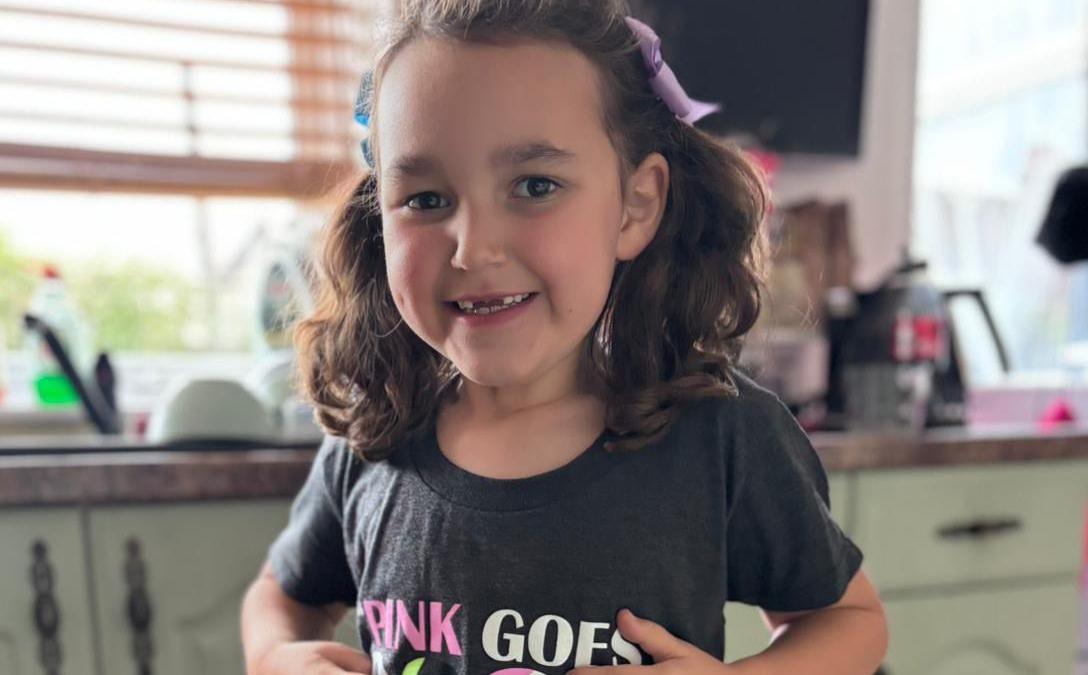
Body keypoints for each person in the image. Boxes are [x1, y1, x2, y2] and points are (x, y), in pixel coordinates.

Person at [241, 1, 889, 673]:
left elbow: (850, 622)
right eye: (427, 199)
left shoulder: (721, 435)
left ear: (636, 205)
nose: (473, 248)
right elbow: (278, 598)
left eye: (535, 185)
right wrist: (275, 656)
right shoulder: (372, 436)